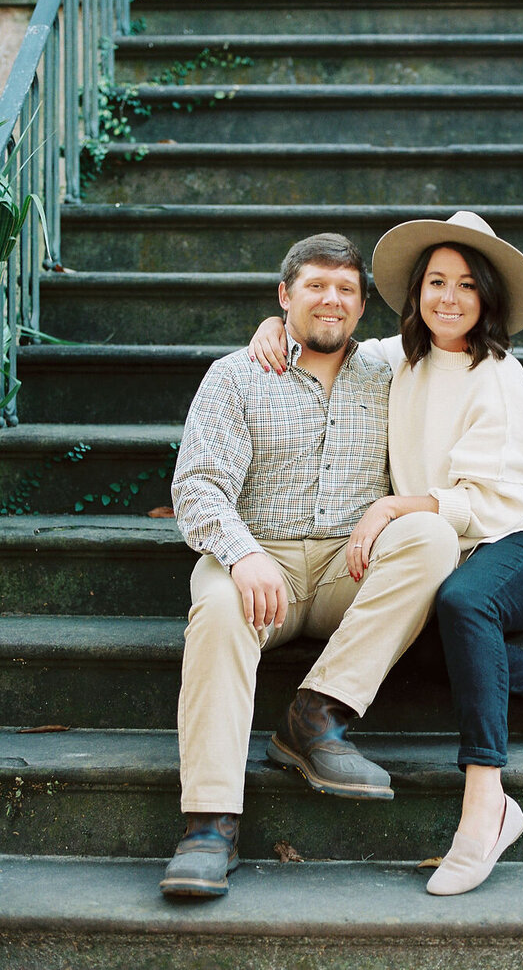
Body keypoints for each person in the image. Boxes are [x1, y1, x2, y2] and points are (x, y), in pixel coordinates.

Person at [250, 211, 523, 897]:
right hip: (444, 545)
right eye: (436, 281)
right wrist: (274, 328)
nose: (449, 297)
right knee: (429, 640)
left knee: (465, 602)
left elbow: (487, 504)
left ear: (486, 295)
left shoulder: (500, 376)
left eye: (465, 284)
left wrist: (391, 505)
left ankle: (486, 804)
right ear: (416, 293)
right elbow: (326, 341)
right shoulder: (397, 359)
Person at [161, 232, 465, 899]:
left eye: (346, 290)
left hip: (342, 569)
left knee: (432, 538)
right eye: (315, 286)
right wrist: (243, 554)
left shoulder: (394, 377)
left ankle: (315, 714)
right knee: (213, 606)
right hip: (253, 562)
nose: (331, 299)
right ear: (284, 296)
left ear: (362, 308)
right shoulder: (236, 373)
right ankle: (209, 824)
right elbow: (198, 488)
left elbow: (459, 438)